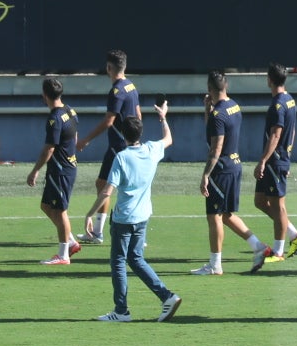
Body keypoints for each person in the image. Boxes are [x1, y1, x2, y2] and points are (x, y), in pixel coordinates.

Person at [95, 99, 183, 322]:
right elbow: (169, 139)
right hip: (143, 216)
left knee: (118, 261)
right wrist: (163, 117)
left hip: (124, 217)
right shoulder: (152, 149)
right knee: (135, 258)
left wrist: (89, 215)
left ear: (123, 134)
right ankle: (167, 296)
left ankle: (121, 310)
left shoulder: (122, 157)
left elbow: (107, 191)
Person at [189, 71, 269, 276]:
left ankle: (215, 264)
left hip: (222, 169)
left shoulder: (218, 115)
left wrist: (206, 174)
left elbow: (215, 147)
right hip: (235, 165)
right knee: (226, 214)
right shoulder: (233, 106)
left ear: (209, 88)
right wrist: (208, 109)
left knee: (214, 216)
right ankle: (258, 246)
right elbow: (214, 132)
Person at [76, 49, 139, 243]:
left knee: (106, 184)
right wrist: (137, 137)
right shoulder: (131, 86)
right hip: (127, 143)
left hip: (118, 145)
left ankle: (101, 232)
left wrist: (86, 140)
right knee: (109, 184)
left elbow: (108, 121)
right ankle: (100, 231)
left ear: (109, 68)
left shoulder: (117, 91)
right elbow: (138, 114)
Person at [250, 62, 297, 272]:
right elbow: (292, 131)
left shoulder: (278, 105)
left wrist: (264, 161)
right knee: (259, 201)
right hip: (280, 159)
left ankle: (278, 251)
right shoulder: (289, 100)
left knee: (277, 206)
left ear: (269, 80)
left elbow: (277, 134)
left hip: (275, 160)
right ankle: (294, 234)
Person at [24, 76, 82, 266]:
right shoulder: (70, 110)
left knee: (60, 210)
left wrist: (35, 171)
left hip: (61, 170)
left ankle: (63, 254)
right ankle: (71, 241)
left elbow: (49, 148)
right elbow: (75, 136)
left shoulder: (55, 118)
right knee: (47, 206)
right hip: (67, 166)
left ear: (44, 95)